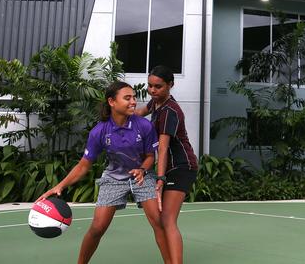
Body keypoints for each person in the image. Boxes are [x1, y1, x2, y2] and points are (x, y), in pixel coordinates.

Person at [37, 81, 160, 264]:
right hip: (113, 178)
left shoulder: (144, 126)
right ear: (112, 101)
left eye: (134, 97)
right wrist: (59, 186)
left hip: (141, 176)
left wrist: (142, 169)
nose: (133, 101)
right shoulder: (100, 131)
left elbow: (151, 156)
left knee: (159, 223)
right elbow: (83, 165)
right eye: (127, 98)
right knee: (97, 227)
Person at [136, 65, 198, 264]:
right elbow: (138, 113)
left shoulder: (169, 111)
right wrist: (114, 114)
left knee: (168, 220)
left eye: (158, 87)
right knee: (161, 220)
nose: (153, 91)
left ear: (170, 85)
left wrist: (160, 178)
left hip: (181, 167)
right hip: (169, 167)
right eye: (150, 86)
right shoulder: (156, 104)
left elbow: (162, 148)